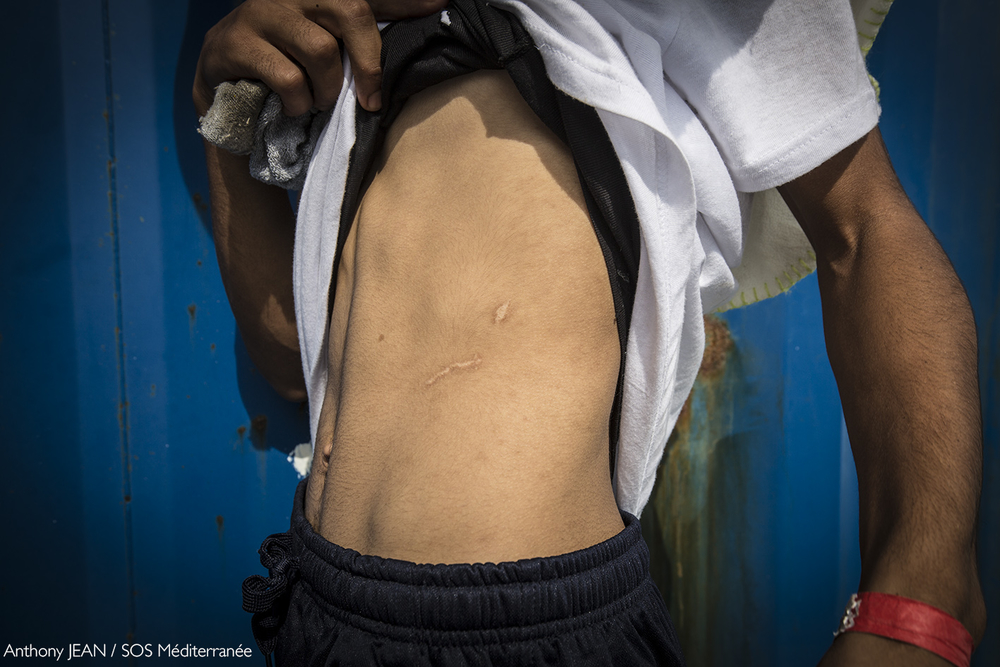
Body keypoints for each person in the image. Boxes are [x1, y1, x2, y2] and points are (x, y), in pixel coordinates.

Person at [194, 0, 987, 665]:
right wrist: (224, 109)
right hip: (318, 604)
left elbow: (867, 228)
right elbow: (291, 357)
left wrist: (919, 597)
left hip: (524, 631)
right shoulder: (349, 26)